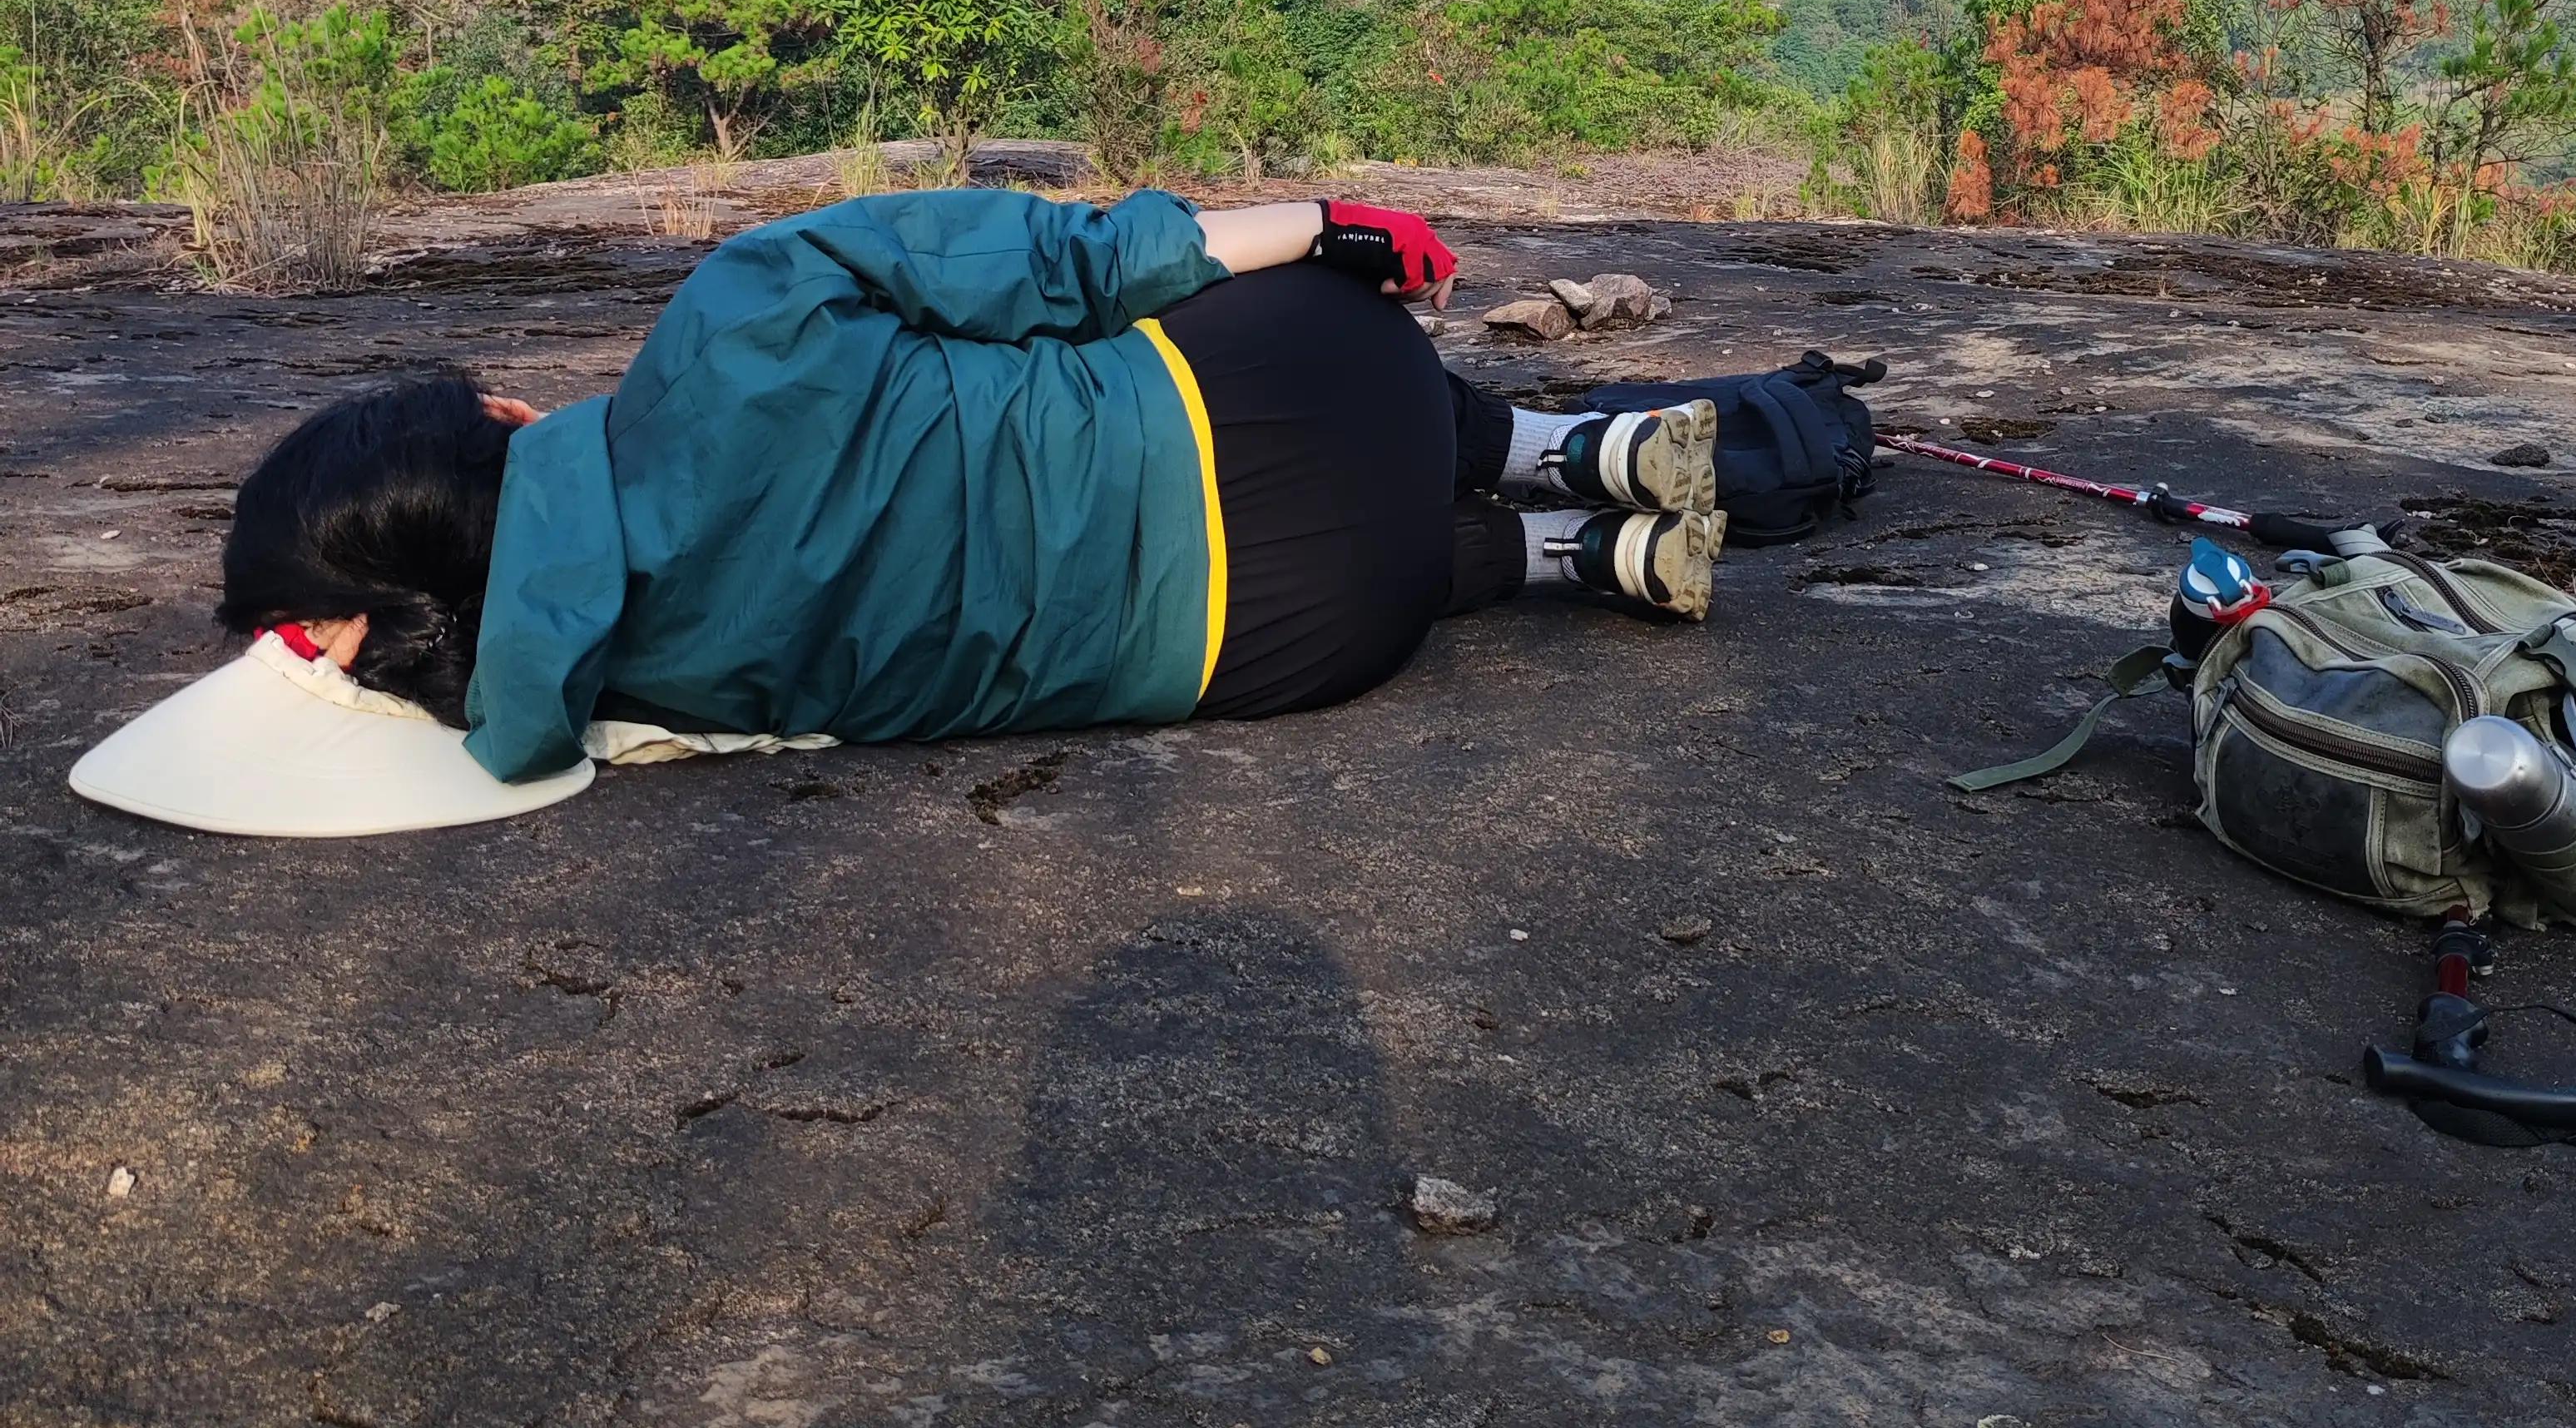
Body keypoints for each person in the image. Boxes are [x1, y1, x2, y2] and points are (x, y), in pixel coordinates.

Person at [144, 191, 1721, 833]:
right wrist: (1322, 223)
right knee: (1157, 351)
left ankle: (1561, 550)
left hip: (1302, 635)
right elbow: (1069, 261)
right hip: (1304, 398)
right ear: (502, 421)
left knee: (1323, 571)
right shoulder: (731, 318)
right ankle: (1556, 449)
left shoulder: (621, 705)